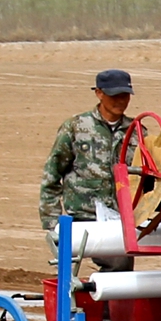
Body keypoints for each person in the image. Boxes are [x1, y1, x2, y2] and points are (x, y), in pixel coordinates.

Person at [39, 67, 135, 241]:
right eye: (115, 96)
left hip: (122, 220)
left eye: (125, 96)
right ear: (99, 93)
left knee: (119, 258)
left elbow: (149, 179)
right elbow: (52, 174)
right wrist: (52, 223)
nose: (121, 101)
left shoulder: (136, 132)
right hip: (83, 218)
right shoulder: (76, 127)